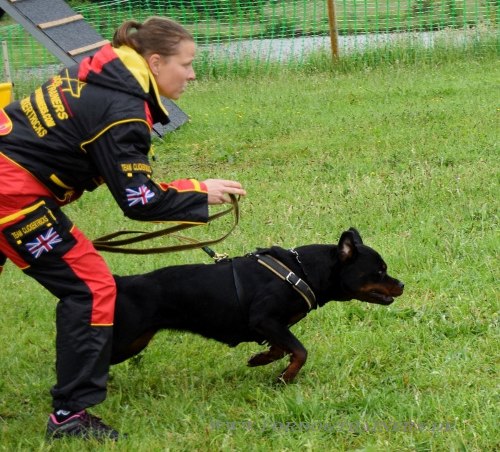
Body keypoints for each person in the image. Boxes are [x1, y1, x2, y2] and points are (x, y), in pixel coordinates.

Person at [0, 16, 245, 441]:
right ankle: (69, 417)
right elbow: (139, 202)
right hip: (12, 194)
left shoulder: (100, 70)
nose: (191, 74)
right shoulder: (123, 110)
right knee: (92, 288)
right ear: (154, 61)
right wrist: (199, 193)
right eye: (185, 64)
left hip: (11, 176)